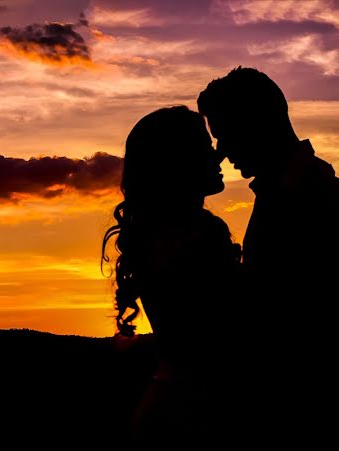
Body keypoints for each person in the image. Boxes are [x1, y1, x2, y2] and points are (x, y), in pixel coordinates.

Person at [197, 67, 339, 439]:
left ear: (257, 123)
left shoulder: (317, 198)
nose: (223, 154)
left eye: (225, 136)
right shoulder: (289, 191)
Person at [102, 106, 241, 443]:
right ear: (178, 162)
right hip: (190, 418)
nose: (219, 155)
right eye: (206, 148)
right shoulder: (190, 241)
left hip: (175, 407)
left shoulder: (181, 231)